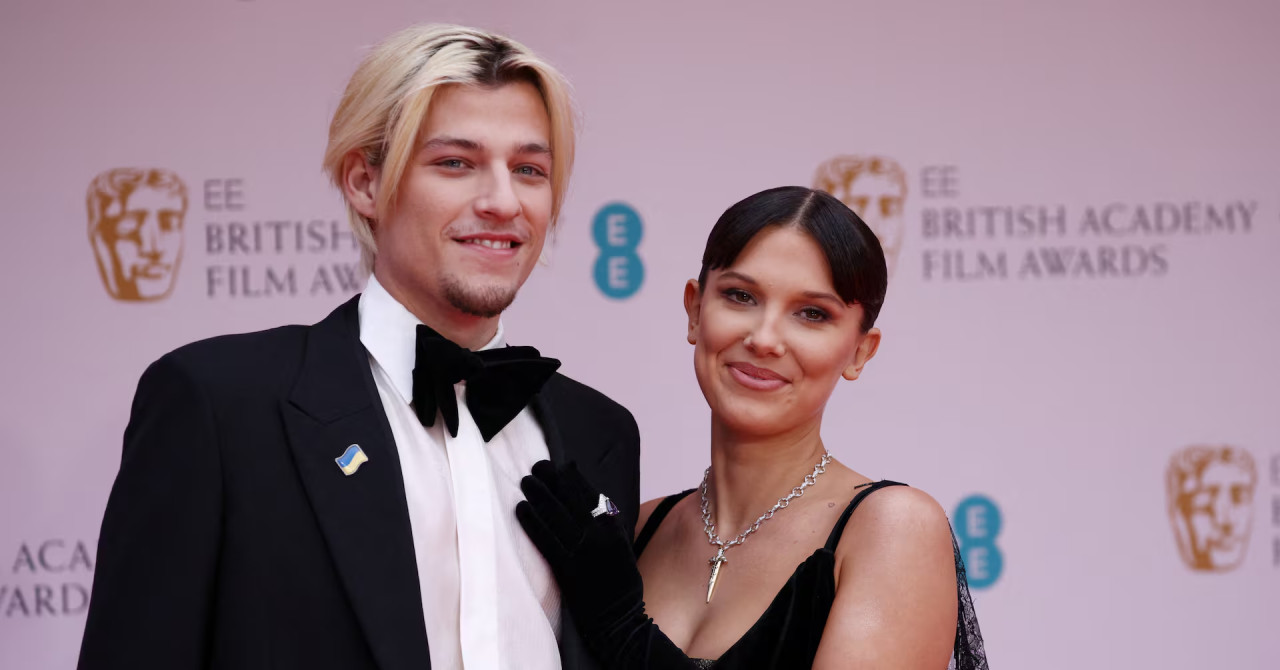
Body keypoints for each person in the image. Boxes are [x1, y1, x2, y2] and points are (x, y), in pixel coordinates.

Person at [78, 24, 640, 670]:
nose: (502, 201)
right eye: (456, 163)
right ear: (364, 184)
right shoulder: (221, 408)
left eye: (529, 170)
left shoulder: (601, 434)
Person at [517, 186, 987, 669]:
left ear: (860, 352)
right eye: (741, 296)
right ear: (695, 311)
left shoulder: (891, 529)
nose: (764, 339)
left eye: (812, 314)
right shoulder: (634, 529)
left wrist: (621, 627)